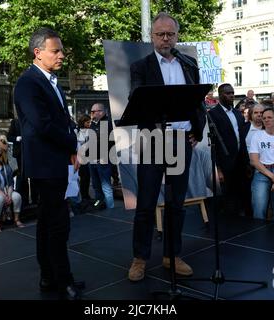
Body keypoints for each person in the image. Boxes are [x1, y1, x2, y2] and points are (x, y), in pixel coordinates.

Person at [127, 12, 205, 282]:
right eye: (160, 34)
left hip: (181, 141)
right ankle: (140, 258)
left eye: (170, 34)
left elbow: (198, 101)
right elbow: (136, 99)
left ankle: (172, 255)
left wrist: (198, 130)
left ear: (177, 35)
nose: (165, 39)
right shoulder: (141, 66)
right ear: (151, 37)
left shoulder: (189, 63)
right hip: (153, 141)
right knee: (146, 203)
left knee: (177, 204)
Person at [13, 27, 82, 299]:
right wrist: (72, 145)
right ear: (38, 52)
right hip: (46, 164)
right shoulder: (28, 83)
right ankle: (62, 280)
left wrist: (72, 143)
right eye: (56, 51)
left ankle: (48, 277)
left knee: (48, 222)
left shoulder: (51, 81)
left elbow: (61, 119)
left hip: (55, 161)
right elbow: (43, 125)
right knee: (57, 224)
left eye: (61, 50)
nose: (62, 55)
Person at [209, 83, 249, 217]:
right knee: (228, 196)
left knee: (241, 193)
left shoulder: (238, 113)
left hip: (241, 160)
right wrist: (218, 167)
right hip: (225, 161)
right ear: (220, 95)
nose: (231, 95)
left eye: (232, 92)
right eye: (228, 93)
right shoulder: (213, 114)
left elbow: (242, 136)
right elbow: (212, 142)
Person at [7, 118, 38, 208]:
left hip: (32, 153)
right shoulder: (15, 122)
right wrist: (16, 138)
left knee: (33, 177)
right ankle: (23, 200)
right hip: (20, 154)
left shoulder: (33, 120)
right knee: (22, 176)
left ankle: (35, 199)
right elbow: (9, 136)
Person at [89, 102, 114, 209]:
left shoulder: (106, 123)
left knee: (106, 186)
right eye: (92, 111)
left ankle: (110, 208)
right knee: (96, 185)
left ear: (101, 112)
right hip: (93, 159)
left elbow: (106, 142)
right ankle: (100, 205)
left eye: (94, 111)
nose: (92, 113)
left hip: (102, 159)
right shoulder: (94, 124)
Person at [76, 114, 92, 202]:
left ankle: (86, 195)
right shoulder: (79, 131)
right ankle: (84, 196)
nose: (89, 124)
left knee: (87, 177)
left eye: (90, 122)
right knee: (84, 177)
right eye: (87, 122)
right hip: (81, 157)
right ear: (83, 122)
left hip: (87, 157)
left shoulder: (88, 130)